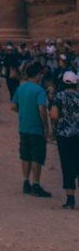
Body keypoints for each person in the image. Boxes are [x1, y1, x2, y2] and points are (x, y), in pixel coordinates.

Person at [12, 62, 53, 197]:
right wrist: (46, 127)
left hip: (24, 127)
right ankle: (36, 184)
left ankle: (25, 182)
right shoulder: (39, 90)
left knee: (25, 156)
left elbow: (13, 106)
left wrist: (23, 111)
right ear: (38, 75)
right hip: (36, 128)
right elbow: (42, 108)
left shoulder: (21, 88)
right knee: (37, 157)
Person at [50, 70, 79, 209]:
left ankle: (70, 199)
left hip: (64, 135)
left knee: (67, 165)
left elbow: (54, 115)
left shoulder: (58, 97)